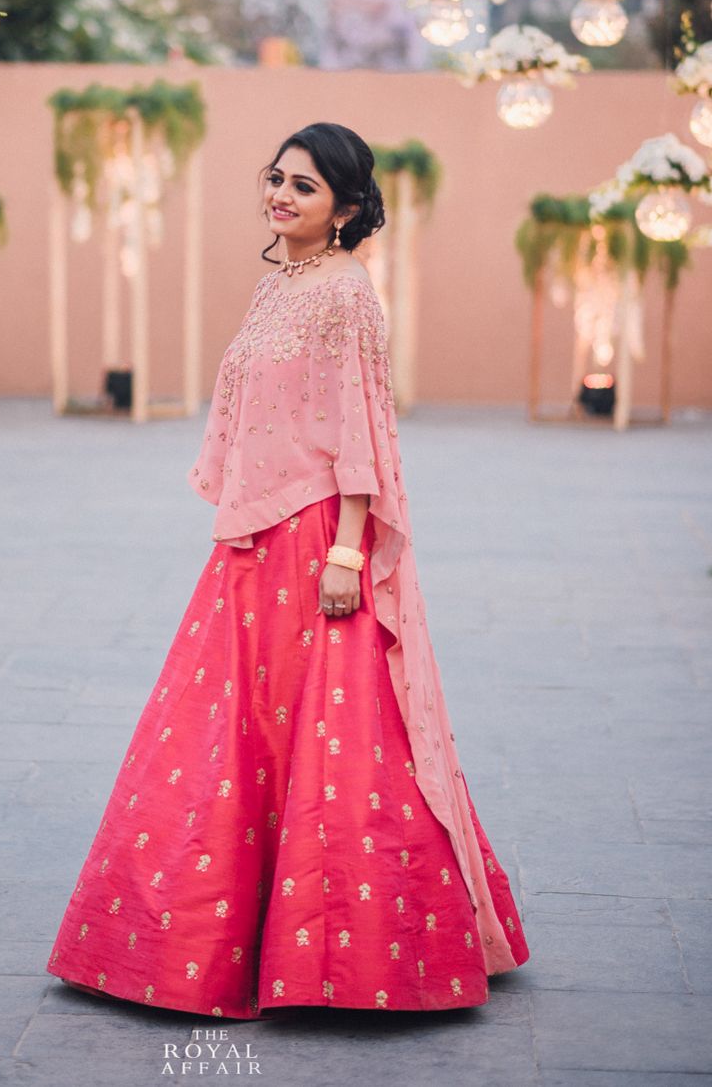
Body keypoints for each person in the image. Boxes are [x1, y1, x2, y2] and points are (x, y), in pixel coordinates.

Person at [46, 121, 529, 1018]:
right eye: (277, 178)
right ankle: (202, 933)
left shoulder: (345, 294)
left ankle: (353, 954)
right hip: (252, 542)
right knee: (230, 733)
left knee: (336, 740)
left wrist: (348, 550)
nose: (281, 195)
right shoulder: (284, 284)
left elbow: (360, 431)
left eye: (304, 187)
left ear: (346, 208)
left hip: (312, 544)